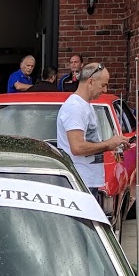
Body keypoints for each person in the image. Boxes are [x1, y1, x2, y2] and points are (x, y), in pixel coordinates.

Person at [55, 63, 130, 203]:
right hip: (80, 183)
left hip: (86, 181)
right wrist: (108, 144)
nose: (105, 90)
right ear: (90, 81)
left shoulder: (83, 105)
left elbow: (88, 143)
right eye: (103, 85)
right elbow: (77, 147)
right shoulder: (75, 107)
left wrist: (113, 145)